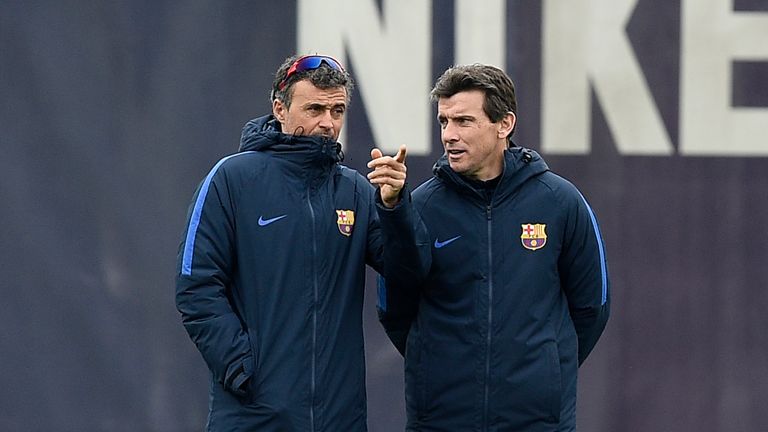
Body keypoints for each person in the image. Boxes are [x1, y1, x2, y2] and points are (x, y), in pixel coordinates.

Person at [175, 54, 406, 431]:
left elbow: (406, 273)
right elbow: (196, 285)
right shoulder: (231, 179)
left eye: (337, 110)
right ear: (280, 109)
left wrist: (396, 207)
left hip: (339, 418)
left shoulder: (356, 191)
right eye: (314, 108)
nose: (327, 123)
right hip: (255, 416)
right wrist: (243, 369)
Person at [373, 64, 611, 431]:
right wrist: (440, 367)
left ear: (505, 124)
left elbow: (592, 306)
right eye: (443, 122)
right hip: (442, 418)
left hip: (534, 420)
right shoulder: (419, 206)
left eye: (464, 121)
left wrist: (540, 371)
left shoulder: (560, 202)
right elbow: (394, 307)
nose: (449, 135)